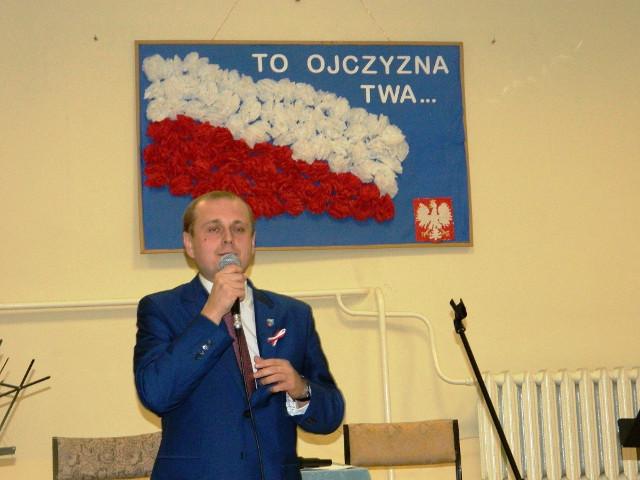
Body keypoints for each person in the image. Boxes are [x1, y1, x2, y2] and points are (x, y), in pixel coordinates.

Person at [134, 190, 345, 480]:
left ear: (253, 242)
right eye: (213, 229)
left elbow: (330, 415)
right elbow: (156, 394)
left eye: (239, 229)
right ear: (189, 244)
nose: (228, 239)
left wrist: (300, 390)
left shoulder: (293, 314)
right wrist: (212, 313)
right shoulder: (162, 309)